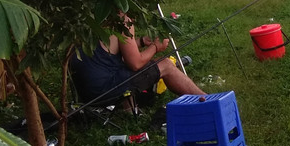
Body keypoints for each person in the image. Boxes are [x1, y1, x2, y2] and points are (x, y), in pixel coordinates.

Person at [71, 13, 205, 102]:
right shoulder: (123, 20)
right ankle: (207, 100)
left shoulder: (94, 14)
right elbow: (135, 63)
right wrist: (155, 47)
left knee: (121, 65)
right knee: (166, 65)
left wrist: (141, 42)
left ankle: (129, 109)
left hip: (83, 94)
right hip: (104, 91)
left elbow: (111, 48)